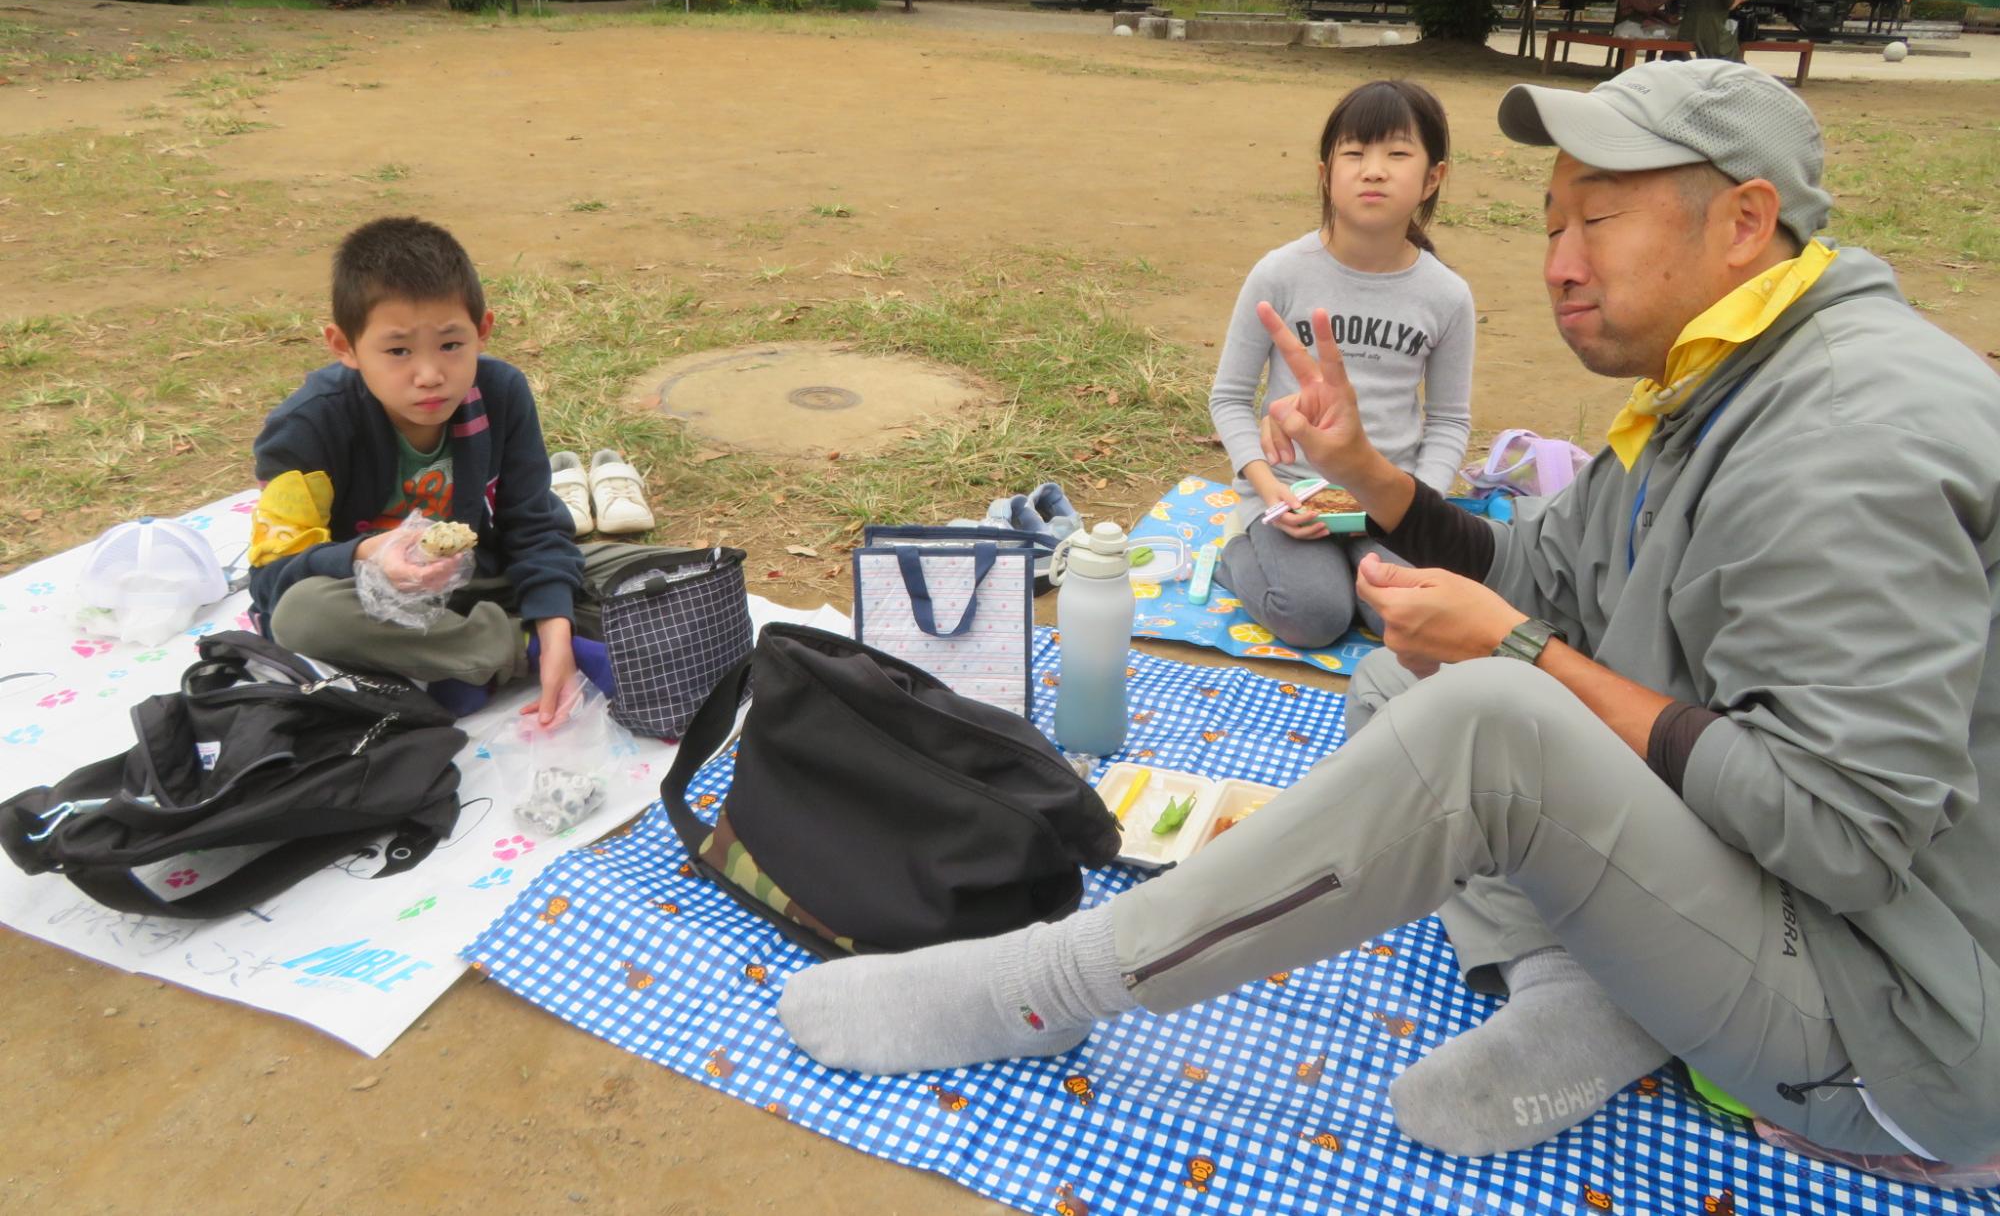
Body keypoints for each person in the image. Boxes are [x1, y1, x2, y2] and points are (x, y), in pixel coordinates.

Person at [777, 62, 2000, 1179]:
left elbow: (1835, 832)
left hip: (1902, 1025)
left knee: (1484, 722)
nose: (1559, 263)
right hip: (1786, 906)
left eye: (1598, 218)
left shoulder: (1847, 440)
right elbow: (1536, 572)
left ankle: (1042, 989)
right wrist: (1367, 472)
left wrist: (1517, 657)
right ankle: (1575, 981)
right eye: (1550, 225)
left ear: (1741, 221)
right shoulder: (1716, 384)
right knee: (1399, 691)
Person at [248, 217, 626, 719]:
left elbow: (533, 526)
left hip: (479, 585)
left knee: (645, 572)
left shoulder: (501, 394)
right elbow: (271, 580)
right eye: (398, 350)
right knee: (302, 616)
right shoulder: (307, 426)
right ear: (345, 347)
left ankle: (455, 665)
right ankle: (517, 651)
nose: (430, 375)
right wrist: (366, 554)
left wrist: (553, 616)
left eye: (451, 345)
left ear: (482, 330)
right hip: (370, 600)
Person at [1205, 80, 1473, 647]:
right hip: (1291, 497)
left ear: (1432, 177)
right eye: (1354, 153)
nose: (1373, 170)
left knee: (1401, 618)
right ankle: (1237, 547)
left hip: (1387, 497)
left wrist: (1416, 504)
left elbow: (1449, 421)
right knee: (1314, 617)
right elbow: (1229, 396)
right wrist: (1264, 485)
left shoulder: (1447, 296)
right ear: (1326, 173)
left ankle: (1352, 568)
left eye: (1397, 154)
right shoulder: (1280, 274)